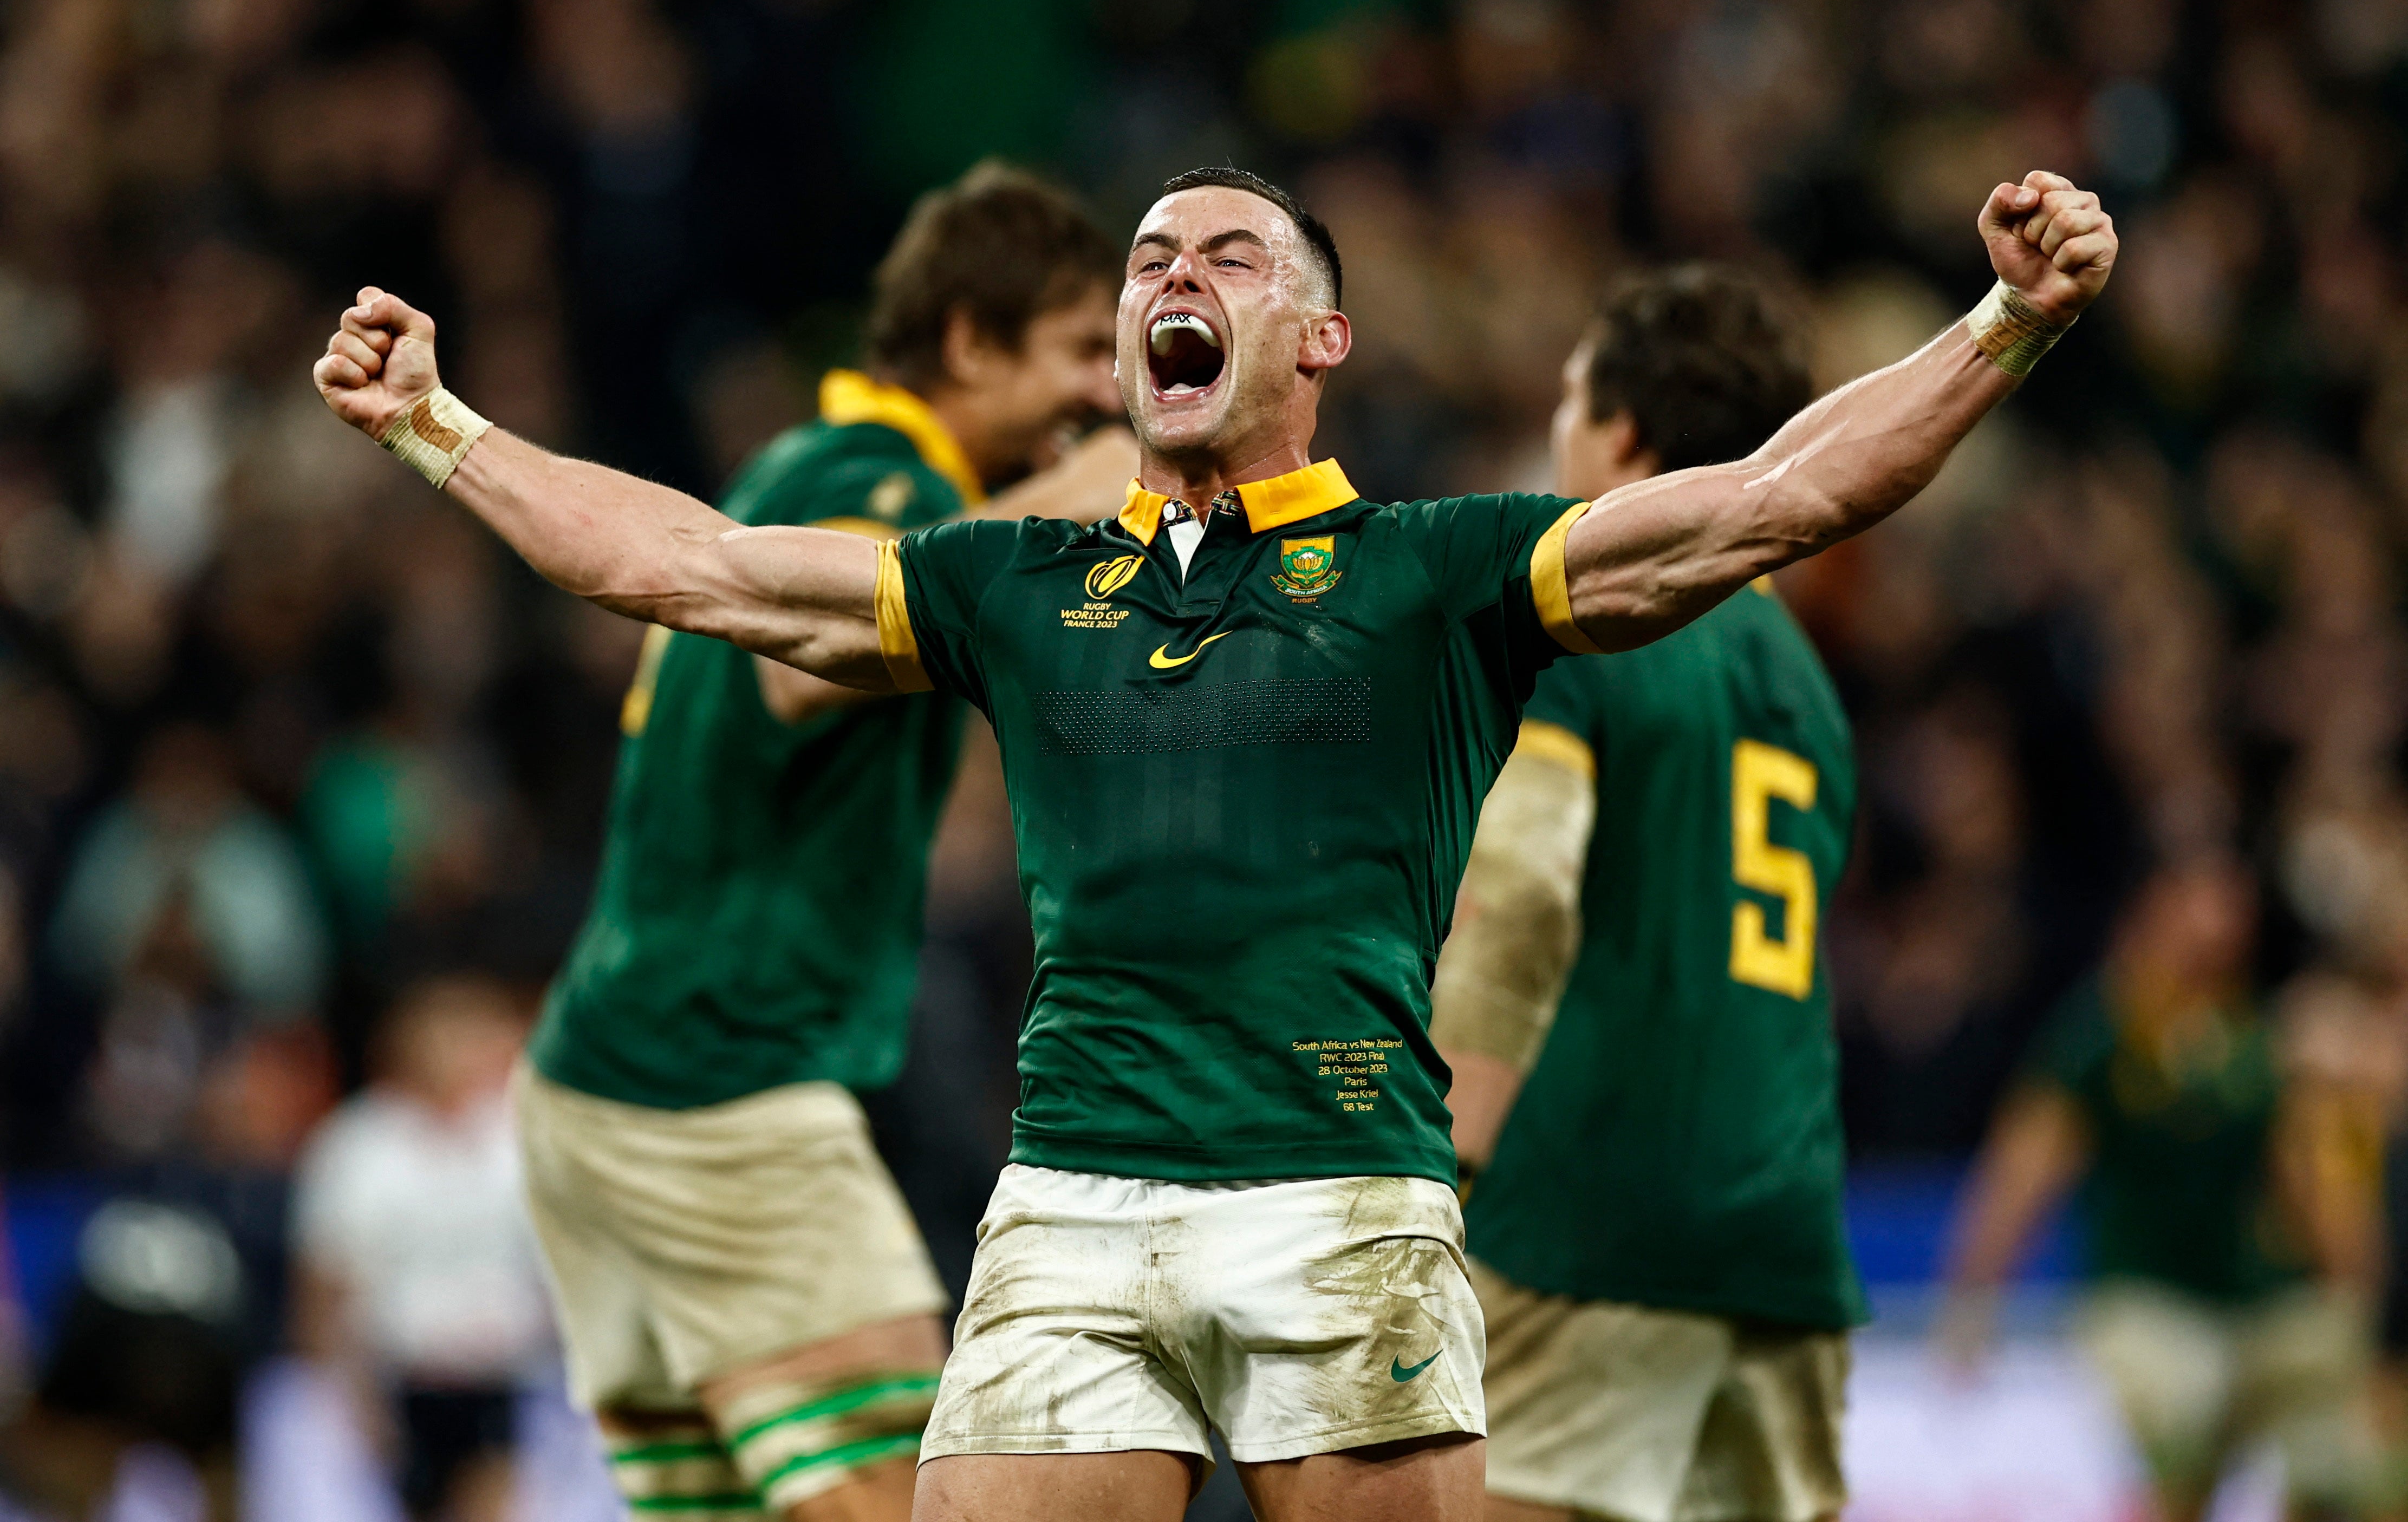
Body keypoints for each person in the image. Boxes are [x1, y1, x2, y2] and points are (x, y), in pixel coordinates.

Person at [312, 160, 2116, 1522]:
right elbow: (691, 566)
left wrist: (2004, 326)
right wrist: (435, 427)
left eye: (1228, 256)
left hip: (1340, 1200)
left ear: (1321, 340)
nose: (1173, 276)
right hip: (1072, 1209)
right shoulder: (1014, 582)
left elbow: (1784, 493)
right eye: (1145, 263)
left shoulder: (1447, 570)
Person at [502, 162, 1133, 1522]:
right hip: (716, 1088)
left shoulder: (813, 467)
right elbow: (811, 665)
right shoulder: (866, 471)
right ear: (969, 342)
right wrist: (1128, 464)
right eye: (1086, 352)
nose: (1106, 389)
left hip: (624, 1077)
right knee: (911, 1500)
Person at [1426, 265, 1860, 1522]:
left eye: (1571, 396)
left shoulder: (1592, 613)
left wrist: (1448, 1153)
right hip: (1782, 1224)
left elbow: (1518, 900)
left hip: (1596, 1211)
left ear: (1620, 432)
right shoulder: (1806, 681)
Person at [1941, 858, 2381, 1521]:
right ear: (2154, 909)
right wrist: (1973, 1297)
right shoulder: (2103, 1034)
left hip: (2255, 1300)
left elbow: (2308, 1181)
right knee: (2185, 1411)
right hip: (2144, 1299)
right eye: (2201, 898)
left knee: (2346, 1460)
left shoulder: (2259, 1038)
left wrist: (2354, 1293)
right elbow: (2024, 1169)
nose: (2220, 922)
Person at [290, 972, 550, 1522]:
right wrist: (348, 1393)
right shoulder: (362, 1144)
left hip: (501, 1377)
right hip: (404, 1377)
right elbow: (326, 1281)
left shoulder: (516, 1136)